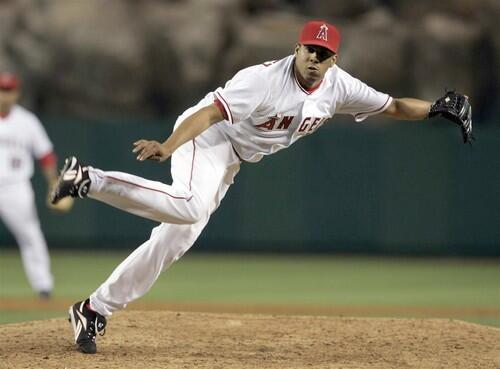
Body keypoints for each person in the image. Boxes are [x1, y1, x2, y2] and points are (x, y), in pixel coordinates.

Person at [51, 20, 472, 354]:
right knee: (189, 206)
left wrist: (434, 109)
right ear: (297, 48)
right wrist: (168, 144)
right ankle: (89, 178)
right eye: (310, 49)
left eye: (323, 54)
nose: (315, 58)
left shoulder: (340, 86)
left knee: (173, 241)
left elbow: (394, 105)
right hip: (206, 137)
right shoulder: (263, 80)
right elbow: (212, 114)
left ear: (333, 60)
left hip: (231, 158)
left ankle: (92, 309)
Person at [0, 72, 72, 299]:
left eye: (8, 90)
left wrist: (54, 182)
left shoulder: (27, 121)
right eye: (1, 90)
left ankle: (43, 286)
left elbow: (46, 155)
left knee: (31, 235)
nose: (4, 95)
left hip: (15, 186)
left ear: (17, 93)